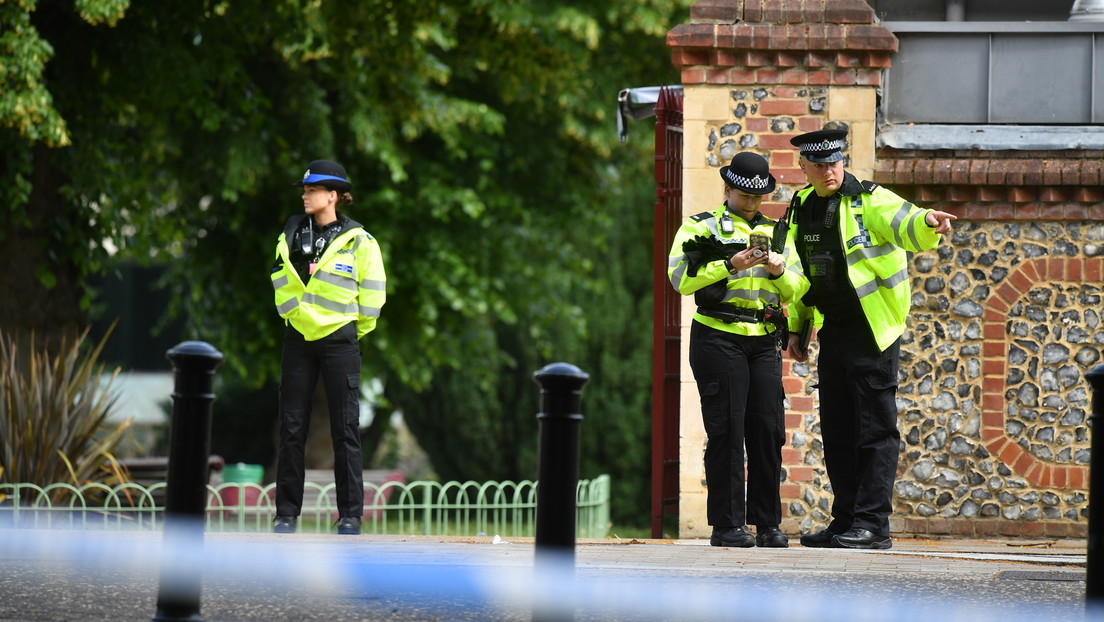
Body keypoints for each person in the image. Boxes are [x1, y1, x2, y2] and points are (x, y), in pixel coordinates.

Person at [781, 128, 956, 549]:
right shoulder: (799, 207)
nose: (829, 171)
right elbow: (799, 273)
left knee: (875, 430)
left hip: (873, 329)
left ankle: (873, 525)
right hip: (834, 328)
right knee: (838, 431)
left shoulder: (868, 199)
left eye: (835, 162)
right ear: (803, 168)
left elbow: (906, 222)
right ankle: (845, 522)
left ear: (843, 160)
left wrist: (928, 222)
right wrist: (798, 326)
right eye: (819, 165)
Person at [668, 152, 809, 548]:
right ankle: (727, 526)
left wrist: (780, 273)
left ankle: (767, 524)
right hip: (718, 334)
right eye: (744, 194)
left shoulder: (777, 232)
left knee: (767, 429)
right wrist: (730, 264)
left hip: (763, 336)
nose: (751, 202)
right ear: (727, 189)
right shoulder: (700, 227)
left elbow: (800, 288)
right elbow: (680, 277)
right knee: (727, 428)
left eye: (758, 196)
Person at [269, 159, 387, 535]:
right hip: (298, 339)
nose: (305, 196)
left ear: (333, 195)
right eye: (304, 190)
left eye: (312, 190)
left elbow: (373, 297)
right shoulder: (290, 234)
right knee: (291, 427)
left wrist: (352, 330)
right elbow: (280, 279)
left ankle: (350, 516)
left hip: (341, 341)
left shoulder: (360, 242)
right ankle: (285, 514)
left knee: (346, 430)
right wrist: (296, 318)